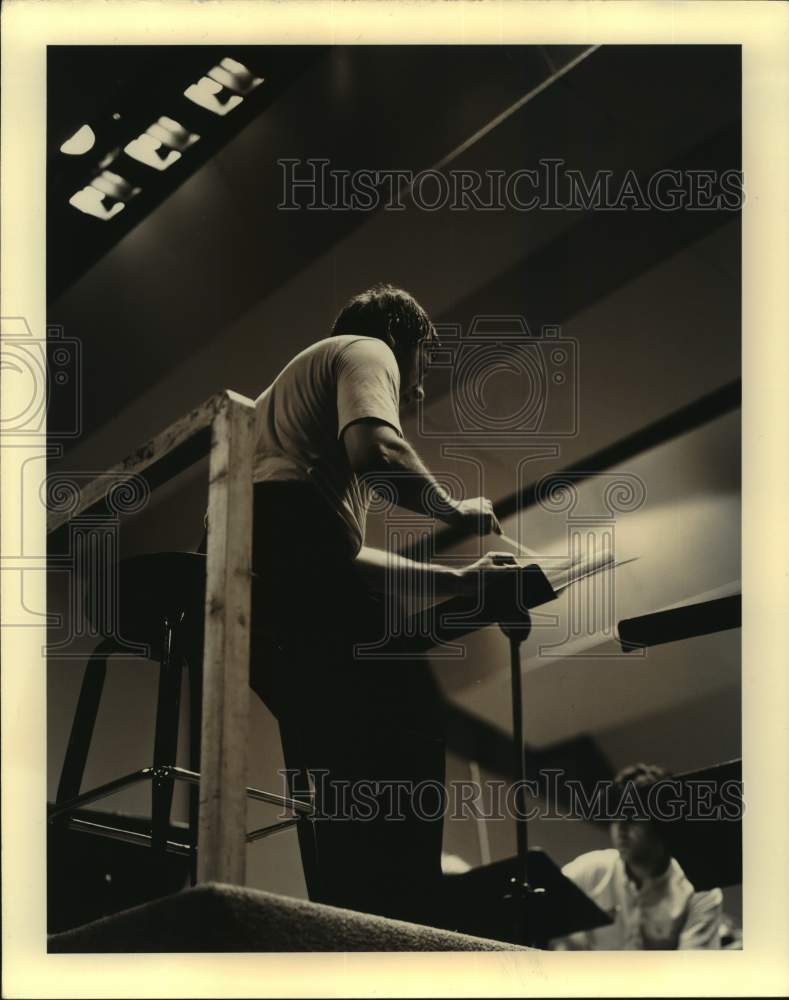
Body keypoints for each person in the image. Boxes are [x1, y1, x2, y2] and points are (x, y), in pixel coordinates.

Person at [239, 283, 517, 924]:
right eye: (419, 371)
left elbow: (336, 558)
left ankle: (346, 916)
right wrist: (456, 510)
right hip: (281, 554)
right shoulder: (368, 348)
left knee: (333, 747)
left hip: (250, 574)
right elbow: (380, 453)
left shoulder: (290, 431)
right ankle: (403, 918)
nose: (415, 391)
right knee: (408, 715)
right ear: (404, 341)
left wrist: (460, 583)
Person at [552, 763, 723, 950]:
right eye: (614, 816)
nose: (620, 828)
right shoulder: (588, 871)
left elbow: (692, 972)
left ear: (663, 823)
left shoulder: (698, 892)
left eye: (631, 817)